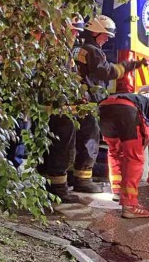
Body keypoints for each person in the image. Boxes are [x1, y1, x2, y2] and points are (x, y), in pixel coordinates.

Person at [73, 15, 142, 193]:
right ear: (95, 33)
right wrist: (128, 66)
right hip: (88, 101)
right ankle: (83, 180)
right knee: (90, 139)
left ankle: (76, 177)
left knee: (78, 139)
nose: (107, 39)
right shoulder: (93, 51)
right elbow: (105, 72)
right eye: (105, 35)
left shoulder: (79, 48)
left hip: (79, 100)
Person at [40, 14, 84, 203]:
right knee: (61, 149)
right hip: (58, 110)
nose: (76, 35)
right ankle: (58, 189)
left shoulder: (57, 49)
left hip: (55, 109)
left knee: (51, 148)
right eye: (74, 31)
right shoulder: (57, 51)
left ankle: (47, 187)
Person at [99, 92, 149, 218]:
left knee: (115, 151)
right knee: (134, 157)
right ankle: (129, 206)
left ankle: (117, 191)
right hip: (127, 109)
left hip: (104, 106)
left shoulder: (143, 96)